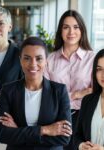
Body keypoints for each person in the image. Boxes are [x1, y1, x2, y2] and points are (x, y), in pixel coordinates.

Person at [0, 36, 72, 150]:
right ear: (20, 60)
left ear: (46, 61)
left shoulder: (59, 91)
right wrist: (45, 130)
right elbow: (2, 135)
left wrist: (18, 131)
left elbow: (64, 138)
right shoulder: (8, 90)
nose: (33, 64)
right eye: (27, 58)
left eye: (39, 58)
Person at [44, 10, 95, 150]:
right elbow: (47, 93)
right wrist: (79, 93)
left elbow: (95, 91)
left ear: (82, 30)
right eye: (66, 27)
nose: (71, 32)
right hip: (56, 118)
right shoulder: (50, 59)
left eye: (76, 27)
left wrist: (72, 95)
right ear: (61, 31)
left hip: (84, 118)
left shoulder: (92, 59)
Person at [74, 49, 104, 150]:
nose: (103, 74)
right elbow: (77, 136)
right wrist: (81, 145)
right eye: (99, 69)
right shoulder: (87, 100)